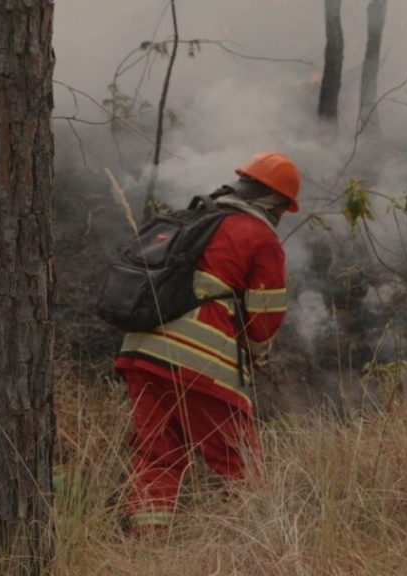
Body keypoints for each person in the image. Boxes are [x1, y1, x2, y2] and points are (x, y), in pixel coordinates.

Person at [114, 151, 299, 533]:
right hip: (201, 364)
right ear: (274, 201)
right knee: (239, 462)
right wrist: (255, 357)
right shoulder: (259, 236)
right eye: (282, 208)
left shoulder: (195, 219)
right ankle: (259, 546)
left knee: (155, 456)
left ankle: (147, 548)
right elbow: (264, 320)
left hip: (141, 353)